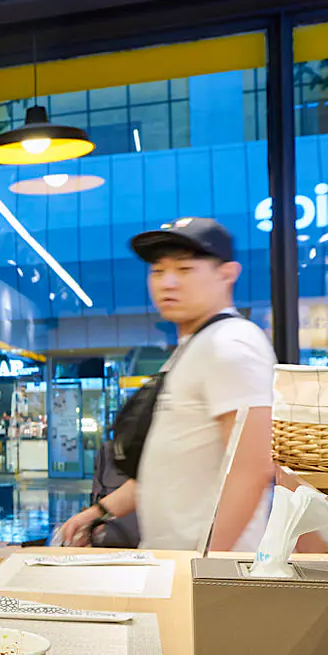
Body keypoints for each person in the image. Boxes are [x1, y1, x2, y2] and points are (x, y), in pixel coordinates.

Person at [57, 217, 275, 551]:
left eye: (185, 269)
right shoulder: (192, 349)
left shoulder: (231, 343)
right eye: (158, 271)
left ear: (227, 274)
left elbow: (253, 468)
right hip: (171, 561)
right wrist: (98, 512)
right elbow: (166, 470)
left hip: (204, 568)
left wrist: (207, 565)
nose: (168, 283)